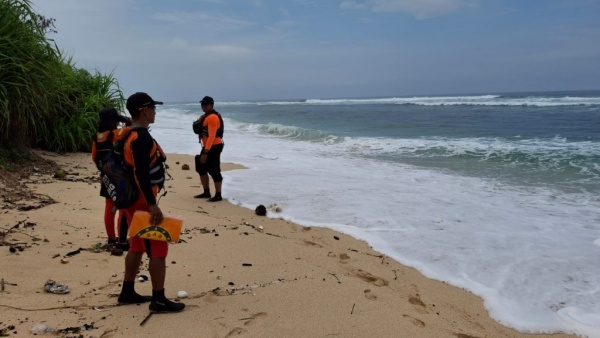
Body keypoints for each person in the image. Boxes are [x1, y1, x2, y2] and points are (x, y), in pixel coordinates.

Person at [117, 92, 185, 313]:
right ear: (145, 110)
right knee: (158, 246)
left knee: (136, 244)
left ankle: (127, 291)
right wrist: (152, 203)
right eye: (153, 108)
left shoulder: (126, 133)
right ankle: (159, 299)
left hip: (129, 198)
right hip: (140, 199)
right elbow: (141, 173)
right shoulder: (141, 137)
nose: (155, 112)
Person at [91, 107, 131, 249]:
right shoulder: (115, 133)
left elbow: (94, 157)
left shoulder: (97, 136)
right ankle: (122, 239)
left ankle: (111, 238)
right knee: (123, 208)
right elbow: (129, 129)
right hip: (119, 176)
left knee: (109, 207)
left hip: (106, 175)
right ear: (114, 121)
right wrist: (126, 120)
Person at [193, 96, 224, 202]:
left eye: (205, 104)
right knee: (201, 168)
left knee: (214, 170)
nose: (203, 106)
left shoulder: (212, 118)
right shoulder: (205, 116)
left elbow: (211, 136)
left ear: (211, 105)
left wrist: (206, 152)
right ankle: (206, 192)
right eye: (202, 104)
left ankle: (218, 195)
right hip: (207, 146)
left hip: (214, 146)